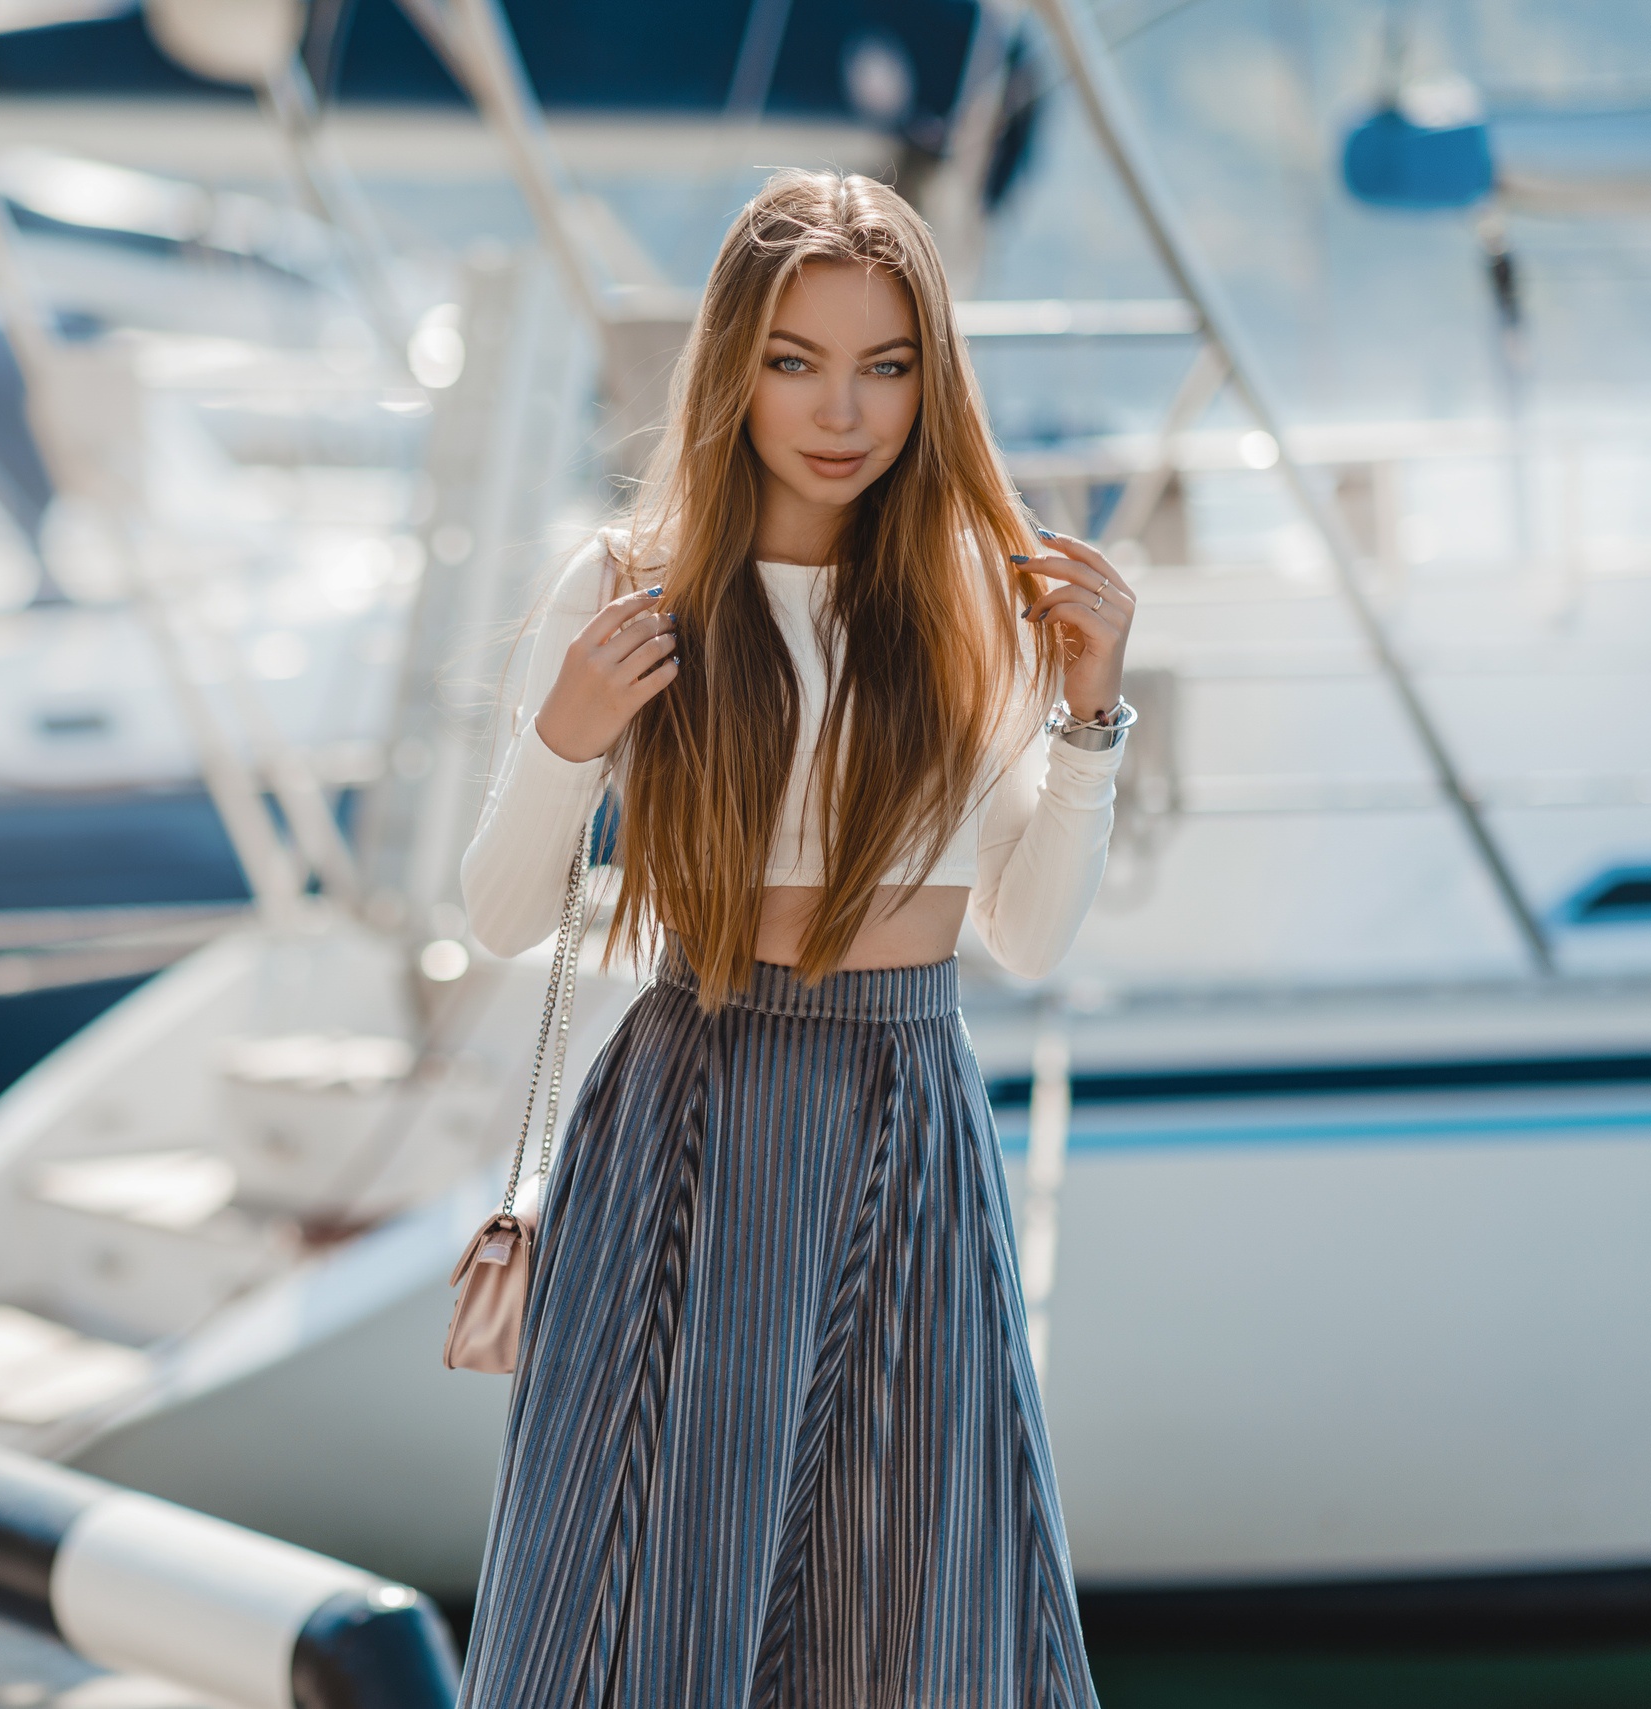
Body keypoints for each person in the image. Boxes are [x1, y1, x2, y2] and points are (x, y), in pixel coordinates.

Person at [455, 169, 1135, 1705]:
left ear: (933, 376)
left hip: (913, 1116)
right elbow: (497, 915)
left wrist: (1092, 718)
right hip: (697, 1109)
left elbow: (1023, 937)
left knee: (916, 1615)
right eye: (796, 360)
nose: (846, 409)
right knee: (637, 1612)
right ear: (731, 365)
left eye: (888, 365)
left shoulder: (976, 592)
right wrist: (568, 736)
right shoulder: (631, 583)